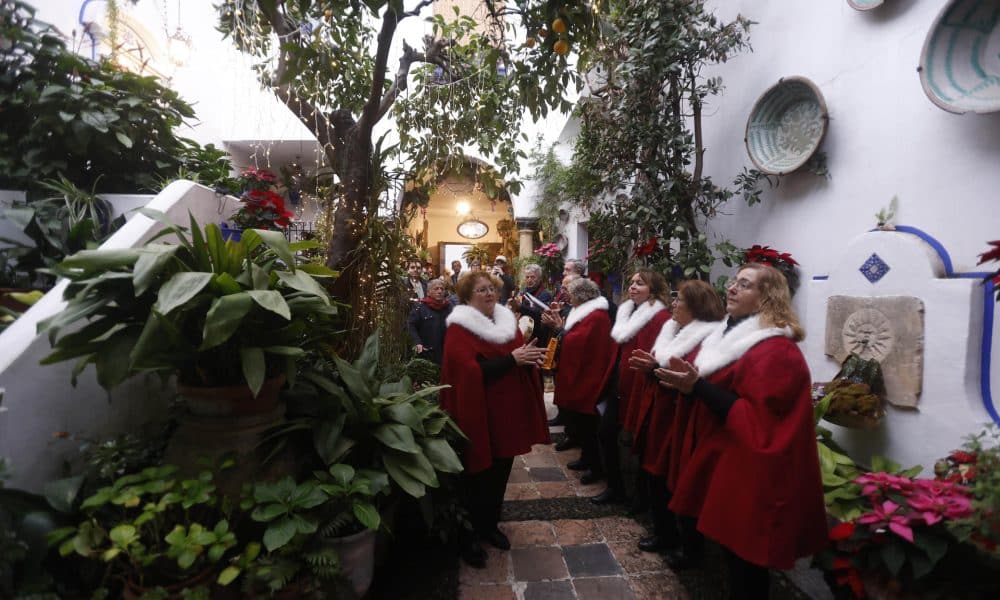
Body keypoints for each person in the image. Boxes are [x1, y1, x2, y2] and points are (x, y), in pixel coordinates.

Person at [658, 263, 827, 599]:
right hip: (729, 461)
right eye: (734, 282)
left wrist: (698, 387)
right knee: (733, 555)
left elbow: (760, 422)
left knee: (747, 563)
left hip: (754, 473)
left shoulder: (776, 350)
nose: (732, 288)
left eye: (745, 284)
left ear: (766, 298)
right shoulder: (733, 336)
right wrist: (691, 386)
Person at [439, 270, 549, 568]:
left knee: (500, 472)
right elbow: (468, 373)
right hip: (477, 412)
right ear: (466, 296)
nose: (489, 293)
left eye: (492, 288)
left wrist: (528, 359)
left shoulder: (506, 322)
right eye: (482, 290)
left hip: (506, 412)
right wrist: (513, 360)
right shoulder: (460, 328)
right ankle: (468, 537)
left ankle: (489, 526)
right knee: (475, 476)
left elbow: (518, 357)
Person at [626, 280, 724, 563]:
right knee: (656, 476)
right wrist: (652, 368)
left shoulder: (707, 338)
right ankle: (665, 533)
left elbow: (694, 379)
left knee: (677, 480)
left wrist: (657, 370)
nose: (673, 304)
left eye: (679, 300)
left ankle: (689, 547)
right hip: (661, 414)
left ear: (696, 306)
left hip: (680, 419)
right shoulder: (673, 330)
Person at [591, 269, 671, 506]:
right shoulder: (627, 312)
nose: (633, 287)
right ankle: (616, 487)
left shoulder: (659, 317)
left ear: (653, 289)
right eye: (632, 282)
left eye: (640, 283)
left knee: (641, 443)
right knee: (606, 433)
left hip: (640, 386)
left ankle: (639, 497)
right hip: (619, 384)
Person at [542, 278, 616, 485]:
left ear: (582, 295)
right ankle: (586, 457)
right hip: (579, 374)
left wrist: (560, 330)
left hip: (589, 377)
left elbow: (580, 341)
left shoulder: (597, 316)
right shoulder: (583, 311)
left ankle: (595, 466)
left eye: (571, 293)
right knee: (581, 423)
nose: (567, 296)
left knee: (589, 424)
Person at [407, 278, 452, 364]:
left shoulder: (448, 307)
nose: (440, 291)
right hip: (427, 354)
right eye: (436, 289)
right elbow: (411, 325)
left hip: (446, 354)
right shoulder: (420, 307)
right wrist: (417, 342)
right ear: (428, 292)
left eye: (442, 289)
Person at [512, 263, 553, 345]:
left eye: (533, 277)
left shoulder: (545, 294)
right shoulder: (523, 292)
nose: (529, 280)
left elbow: (539, 314)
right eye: (527, 277)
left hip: (538, 337)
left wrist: (520, 306)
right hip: (523, 333)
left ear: (539, 278)